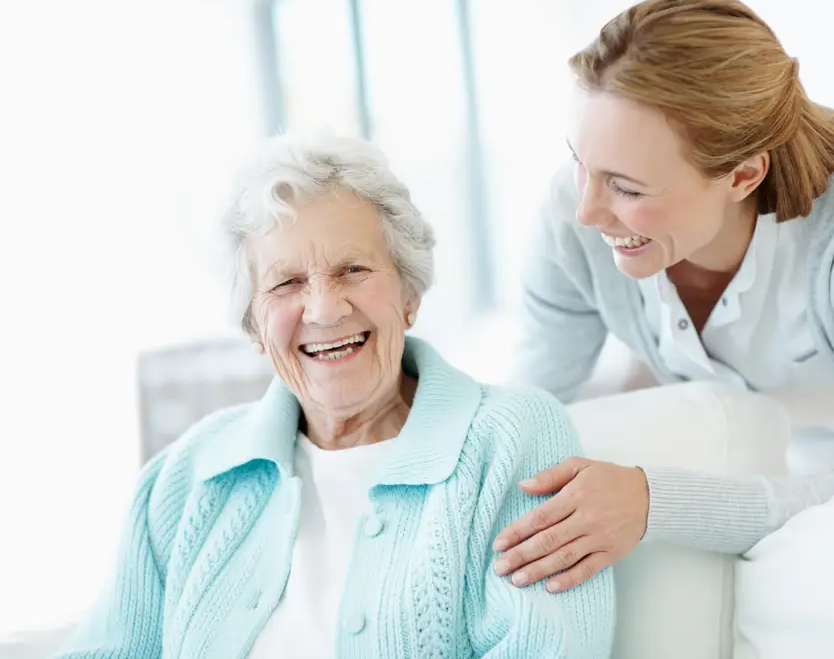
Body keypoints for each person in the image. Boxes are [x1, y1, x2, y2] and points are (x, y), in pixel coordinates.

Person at [492, 0, 834, 594]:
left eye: (628, 188)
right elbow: (523, 407)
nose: (586, 211)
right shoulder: (573, 210)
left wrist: (650, 502)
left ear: (744, 175)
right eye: (579, 162)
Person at [56, 131, 615, 658]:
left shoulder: (511, 439)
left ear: (410, 294)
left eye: (353, 269)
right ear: (254, 326)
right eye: (286, 283)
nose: (324, 308)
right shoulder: (185, 475)